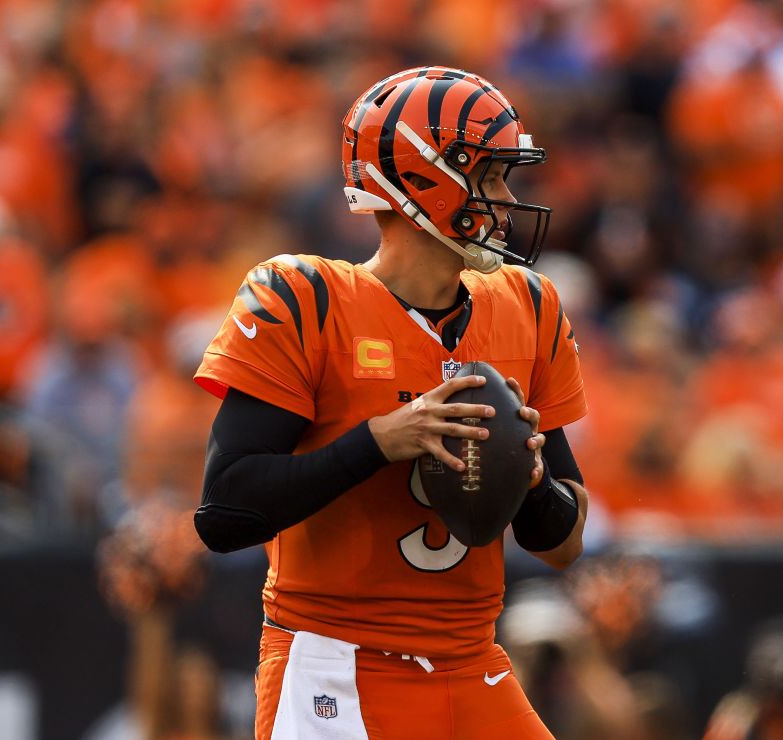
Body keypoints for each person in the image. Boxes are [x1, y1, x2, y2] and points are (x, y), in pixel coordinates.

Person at [191, 66, 589, 739]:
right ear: (424, 180)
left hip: (470, 659)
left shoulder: (528, 305)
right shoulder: (306, 299)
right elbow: (225, 513)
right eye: (489, 176)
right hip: (334, 655)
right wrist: (377, 441)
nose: (506, 198)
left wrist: (530, 482)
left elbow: (564, 544)